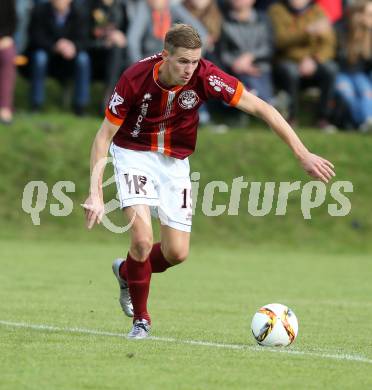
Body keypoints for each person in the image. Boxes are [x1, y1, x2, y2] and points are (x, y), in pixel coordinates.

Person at [82, 23, 335, 339]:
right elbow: (103, 136)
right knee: (143, 240)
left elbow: (262, 108)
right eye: (182, 62)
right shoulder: (135, 78)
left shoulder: (206, 75)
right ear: (165, 56)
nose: (190, 69)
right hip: (133, 155)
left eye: (194, 61)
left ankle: (126, 271)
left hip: (175, 164)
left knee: (177, 253)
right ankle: (141, 321)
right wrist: (94, 192)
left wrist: (302, 153)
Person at [268, 0, 338, 129]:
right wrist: (307, 31)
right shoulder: (276, 10)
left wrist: (315, 59)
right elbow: (279, 40)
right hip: (287, 61)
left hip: (313, 61)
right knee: (290, 71)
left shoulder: (318, 11)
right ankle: (290, 118)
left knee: (331, 69)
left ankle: (323, 119)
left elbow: (329, 44)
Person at [27, 0, 91, 115]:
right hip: (48, 54)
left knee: (83, 59)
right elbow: (35, 37)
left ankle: (80, 106)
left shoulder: (80, 12)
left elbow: (85, 39)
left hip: (71, 56)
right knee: (39, 58)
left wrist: (73, 46)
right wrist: (55, 46)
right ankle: (36, 104)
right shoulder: (40, 11)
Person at [334, 0, 372, 131]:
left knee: (367, 92)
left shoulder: (369, 34)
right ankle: (361, 123)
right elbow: (338, 57)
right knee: (347, 93)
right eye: (369, 14)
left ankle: (367, 121)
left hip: (360, 74)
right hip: (341, 73)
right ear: (358, 14)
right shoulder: (340, 30)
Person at [0, 0, 17, 124]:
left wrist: (4, 37)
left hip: (2, 40)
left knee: (8, 54)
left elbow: (12, 22)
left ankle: (4, 108)